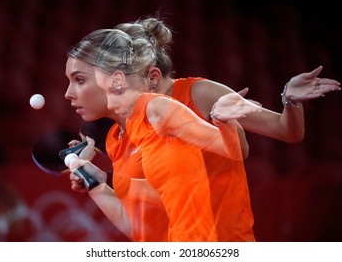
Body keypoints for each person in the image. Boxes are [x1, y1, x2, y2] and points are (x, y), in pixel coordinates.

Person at [64, 18, 340, 241]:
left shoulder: (198, 93)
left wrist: (286, 101)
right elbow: (143, 216)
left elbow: (280, 133)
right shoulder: (119, 137)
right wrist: (98, 182)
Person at [66, 28, 253, 242]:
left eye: (81, 79)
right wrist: (97, 184)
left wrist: (222, 120)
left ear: (116, 79)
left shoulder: (156, 107)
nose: (69, 93)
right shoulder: (128, 131)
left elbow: (232, 149)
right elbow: (139, 224)